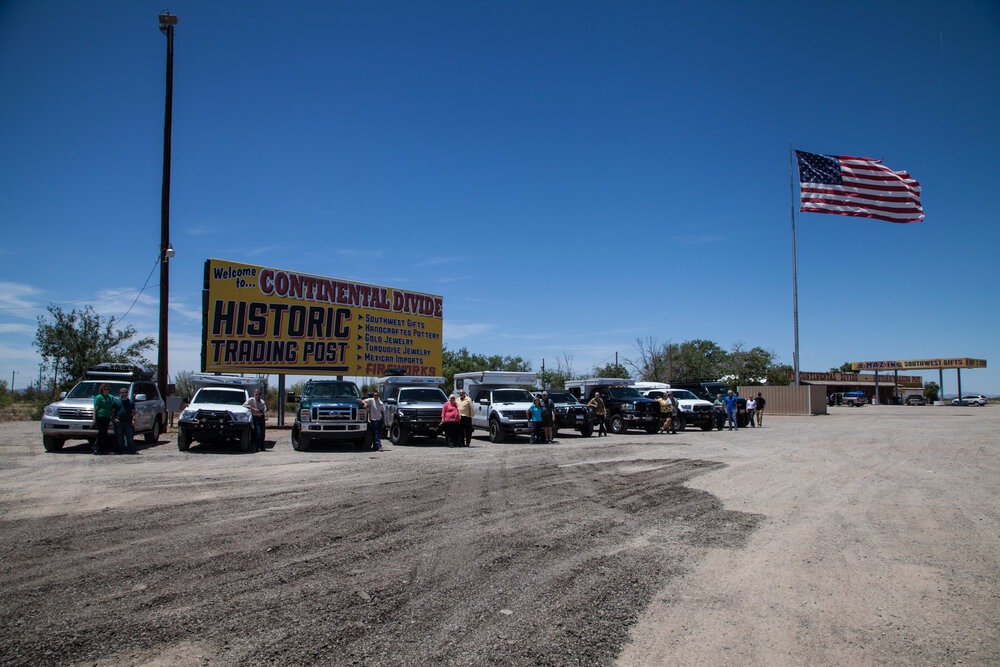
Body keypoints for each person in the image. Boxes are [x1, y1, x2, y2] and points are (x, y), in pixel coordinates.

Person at [92, 384, 115, 455]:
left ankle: (100, 448)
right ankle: (98, 449)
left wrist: (113, 417)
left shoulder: (110, 397)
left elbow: (112, 407)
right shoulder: (99, 397)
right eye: (104, 389)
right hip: (100, 416)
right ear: (101, 390)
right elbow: (95, 409)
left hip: (107, 416)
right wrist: (94, 418)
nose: (106, 391)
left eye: (107, 389)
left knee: (104, 433)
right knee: (101, 433)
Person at [112, 387, 137, 454]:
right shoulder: (116, 402)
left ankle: (131, 450)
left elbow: (134, 412)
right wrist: (114, 419)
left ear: (127, 393)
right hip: (119, 422)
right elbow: (113, 411)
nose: (124, 394)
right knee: (120, 437)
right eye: (122, 393)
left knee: (130, 437)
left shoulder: (130, 402)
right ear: (119, 394)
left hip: (128, 422)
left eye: (125, 392)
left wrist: (133, 420)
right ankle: (121, 450)